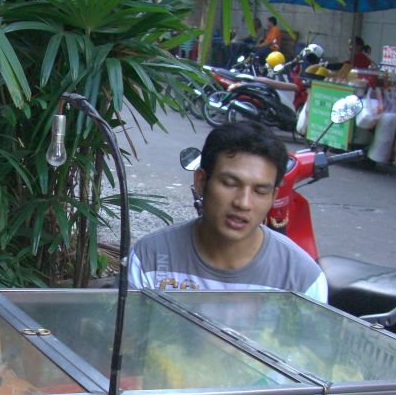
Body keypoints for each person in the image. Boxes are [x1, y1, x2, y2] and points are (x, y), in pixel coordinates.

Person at [127, 121, 328, 302]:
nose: (243, 203)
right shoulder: (149, 259)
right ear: (201, 181)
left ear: (274, 196)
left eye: (260, 191)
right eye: (230, 184)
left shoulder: (302, 279)